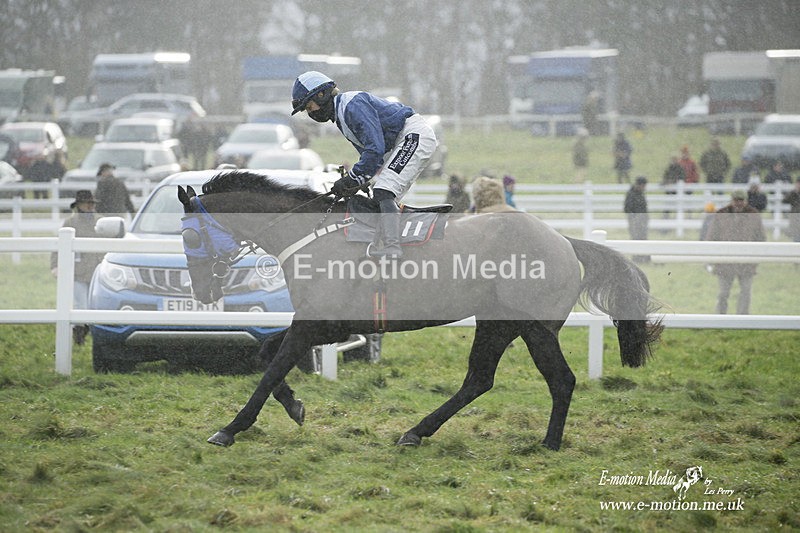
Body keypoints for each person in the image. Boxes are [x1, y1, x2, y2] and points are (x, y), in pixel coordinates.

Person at [291, 71, 437, 257]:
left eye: (309, 106)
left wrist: (352, 179)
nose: (310, 112)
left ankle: (392, 248)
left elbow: (375, 150)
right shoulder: (342, 115)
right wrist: (359, 181)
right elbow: (371, 155)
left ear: (321, 94)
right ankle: (390, 242)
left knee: (384, 191)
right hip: (401, 141)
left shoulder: (351, 106)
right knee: (381, 195)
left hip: (413, 135)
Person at [50, 190, 103, 345]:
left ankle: (92, 335)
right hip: (78, 272)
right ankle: (79, 336)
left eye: (91, 203)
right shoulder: (70, 223)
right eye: (86, 203)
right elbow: (58, 246)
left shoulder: (101, 222)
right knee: (81, 305)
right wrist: (55, 266)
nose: (89, 206)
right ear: (78, 205)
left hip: (97, 271)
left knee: (95, 305)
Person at [706, 189, 766, 314]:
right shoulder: (721, 214)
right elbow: (712, 236)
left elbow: (760, 237)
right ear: (731, 200)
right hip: (725, 261)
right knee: (723, 293)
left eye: (741, 200)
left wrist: (756, 257)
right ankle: (720, 317)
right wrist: (712, 257)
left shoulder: (754, 215)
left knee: (746, 291)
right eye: (736, 200)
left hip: (747, 261)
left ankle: (742, 318)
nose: (738, 203)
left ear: (746, 201)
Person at [623, 176, 650, 263]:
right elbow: (627, 209)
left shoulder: (639, 194)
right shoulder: (631, 195)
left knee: (643, 238)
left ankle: (644, 258)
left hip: (641, 220)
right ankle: (638, 258)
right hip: (635, 220)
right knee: (636, 238)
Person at [782, 177, 800, 242]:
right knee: (796, 238)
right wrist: (794, 192)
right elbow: (785, 200)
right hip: (795, 219)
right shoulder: (793, 193)